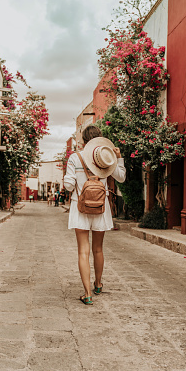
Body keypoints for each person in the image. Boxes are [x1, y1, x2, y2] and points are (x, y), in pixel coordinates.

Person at [64, 125, 126, 305]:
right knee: (98, 249)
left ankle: (87, 294)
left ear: (83, 141)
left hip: (80, 206)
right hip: (101, 207)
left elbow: (68, 186)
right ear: (99, 139)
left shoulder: (75, 158)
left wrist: (73, 179)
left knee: (83, 251)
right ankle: (98, 284)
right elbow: (121, 177)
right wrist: (119, 158)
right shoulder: (106, 157)